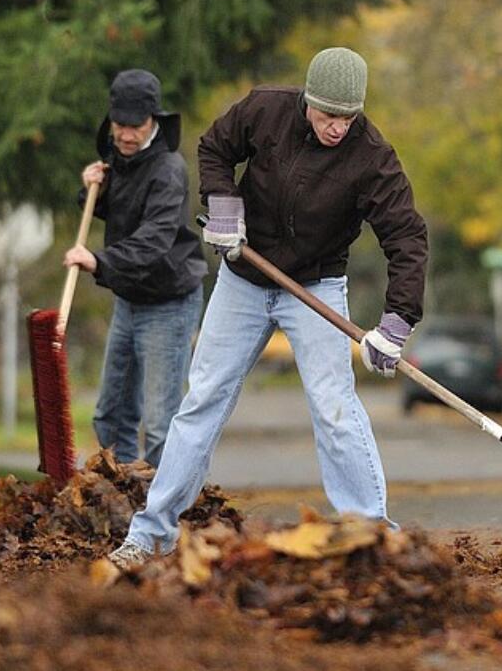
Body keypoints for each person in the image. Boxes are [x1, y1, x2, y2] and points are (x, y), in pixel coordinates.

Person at [108, 47, 428, 569]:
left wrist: (395, 322)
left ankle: (370, 534)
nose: (337, 128)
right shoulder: (265, 110)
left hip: (317, 287)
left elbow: (407, 237)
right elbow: (214, 147)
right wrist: (226, 209)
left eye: (348, 118)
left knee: (333, 407)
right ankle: (152, 534)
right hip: (243, 279)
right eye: (328, 115)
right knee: (203, 398)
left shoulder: (371, 156)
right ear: (307, 102)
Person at [63, 69, 207, 468]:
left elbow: (153, 241)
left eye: (135, 127)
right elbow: (122, 212)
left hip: (169, 303)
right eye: (119, 126)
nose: (126, 135)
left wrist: (98, 261)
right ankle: (124, 499)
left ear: (154, 121)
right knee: (111, 416)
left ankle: (166, 514)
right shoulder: (118, 159)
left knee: (160, 425)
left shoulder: (169, 170)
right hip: (129, 300)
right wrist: (94, 189)